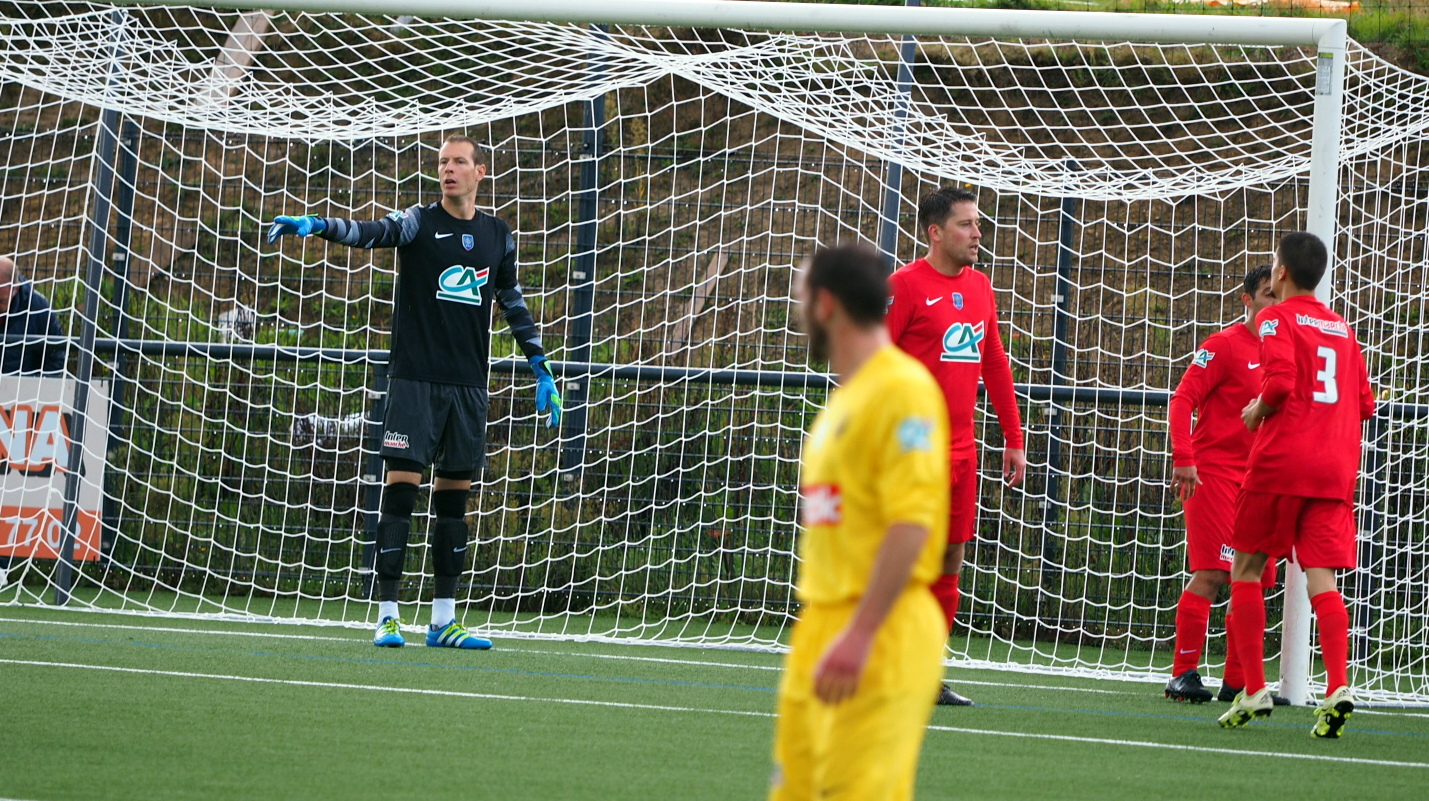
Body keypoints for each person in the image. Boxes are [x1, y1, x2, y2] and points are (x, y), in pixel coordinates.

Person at [266, 134, 561, 650]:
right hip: (414, 381)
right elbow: (370, 232)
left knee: (454, 504)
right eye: (443, 162)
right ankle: (387, 616)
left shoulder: (498, 235)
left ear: (480, 171)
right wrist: (319, 227)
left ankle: (444, 621)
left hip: (467, 386)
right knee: (400, 494)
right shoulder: (418, 222)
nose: (449, 169)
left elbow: (512, 302)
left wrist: (541, 367)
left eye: (459, 162)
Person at [770, 244, 948, 801]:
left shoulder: (904, 390)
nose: (797, 311)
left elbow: (912, 522)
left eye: (801, 297)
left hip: (880, 629)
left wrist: (863, 632)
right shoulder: (846, 398)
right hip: (821, 622)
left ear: (826, 305)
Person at [1217, 232, 1375, 738]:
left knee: (1246, 566)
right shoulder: (1342, 329)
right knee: (1321, 578)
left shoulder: (1275, 318)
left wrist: (1256, 409)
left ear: (1281, 273)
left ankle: (1255, 687)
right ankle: (1337, 687)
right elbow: (1367, 405)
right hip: (1334, 468)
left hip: (1282, 462)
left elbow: (1281, 382)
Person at [886, 186, 1025, 706]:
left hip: (963, 449)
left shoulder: (981, 287)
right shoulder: (903, 287)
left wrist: (1014, 438)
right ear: (936, 232)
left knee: (949, 559)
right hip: (913, 448)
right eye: (966, 224)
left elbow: (994, 364)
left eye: (979, 224)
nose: (977, 233)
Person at [1165, 265, 1287, 705]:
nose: (1275, 303)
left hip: (1262, 480)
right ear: (1247, 300)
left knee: (1252, 582)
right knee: (1214, 573)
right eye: (1266, 295)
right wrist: (1185, 459)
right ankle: (1183, 674)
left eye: (1280, 295)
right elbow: (1183, 400)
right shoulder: (1223, 346)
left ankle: (1237, 684)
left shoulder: (1288, 350)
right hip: (1213, 474)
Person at [0, 256, 65, 376]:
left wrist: (34, 387)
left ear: (15, 289)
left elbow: (55, 359)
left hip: (23, 389)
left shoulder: (38, 308)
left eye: (1, 301)